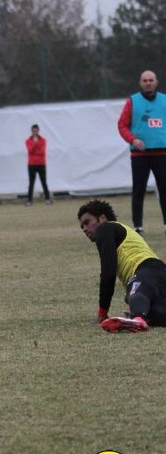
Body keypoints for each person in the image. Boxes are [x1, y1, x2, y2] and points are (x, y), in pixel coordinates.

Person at [77, 199, 166, 333]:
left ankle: (138, 319)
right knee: (157, 312)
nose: (84, 229)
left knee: (134, 293)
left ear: (102, 218)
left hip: (146, 270)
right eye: (81, 226)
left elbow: (108, 273)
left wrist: (102, 312)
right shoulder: (120, 230)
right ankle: (141, 316)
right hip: (158, 273)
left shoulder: (105, 228)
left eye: (87, 222)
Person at [117, 70, 166, 235]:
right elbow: (122, 125)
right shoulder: (132, 101)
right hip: (140, 156)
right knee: (138, 190)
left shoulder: (164, 101)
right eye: (145, 80)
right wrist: (133, 140)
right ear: (140, 82)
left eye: (151, 80)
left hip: (162, 154)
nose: (148, 83)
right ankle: (138, 226)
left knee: (164, 189)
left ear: (156, 82)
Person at [24, 124, 52, 206]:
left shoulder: (43, 140)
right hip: (32, 164)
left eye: (36, 130)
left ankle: (47, 199)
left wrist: (35, 146)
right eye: (33, 130)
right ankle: (29, 200)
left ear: (38, 130)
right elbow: (30, 150)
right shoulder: (28, 140)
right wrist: (36, 144)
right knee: (31, 183)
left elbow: (42, 152)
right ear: (31, 131)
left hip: (41, 164)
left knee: (44, 182)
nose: (35, 132)